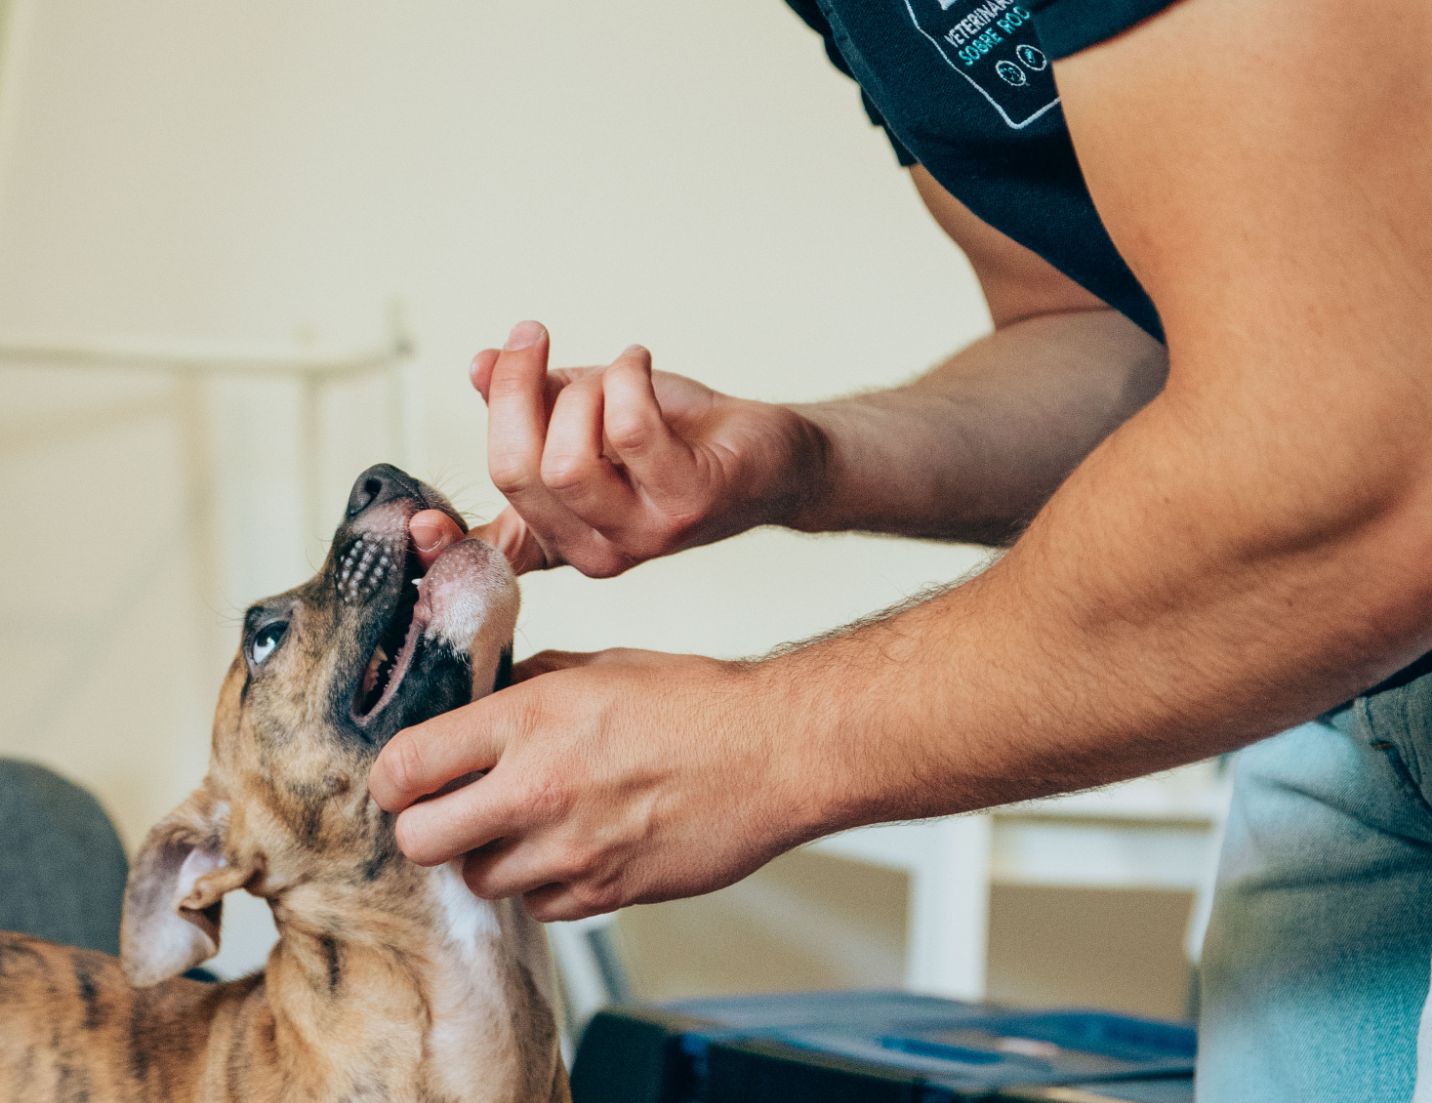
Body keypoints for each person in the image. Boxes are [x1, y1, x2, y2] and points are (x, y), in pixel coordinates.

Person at [366, 0, 1432, 1098]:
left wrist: (758, 743)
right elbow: (1115, 330)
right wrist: (805, 458)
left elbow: (1372, 452)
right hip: (1346, 706)